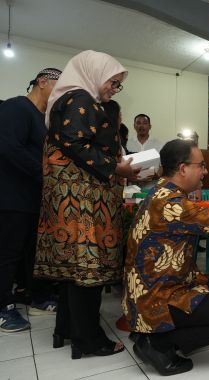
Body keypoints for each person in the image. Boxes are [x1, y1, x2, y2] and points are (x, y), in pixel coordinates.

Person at [34, 50, 138, 359]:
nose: (114, 89)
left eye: (119, 85)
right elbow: (76, 143)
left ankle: (66, 330)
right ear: (94, 72)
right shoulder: (80, 98)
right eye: (113, 82)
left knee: (73, 272)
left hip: (75, 197)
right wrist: (117, 167)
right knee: (87, 271)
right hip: (82, 200)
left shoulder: (71, 99)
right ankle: (89, 339)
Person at [124, 138, 209, 376]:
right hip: (157, 296)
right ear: (184, 168)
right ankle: (158, 344)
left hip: (146, 290)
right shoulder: (171, 203)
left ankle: (154, 333)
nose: (205, 172)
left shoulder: (160, 191)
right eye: (201, 166)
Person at [0, 68, 61, 332]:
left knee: (30, 253)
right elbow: (9, 147)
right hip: (11, 197)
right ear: (42, 81)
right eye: (59, 85)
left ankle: (34, 297)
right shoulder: (17, 107)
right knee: (7, 254)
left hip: (32, 199)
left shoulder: (42, 119)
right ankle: (2, 308)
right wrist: (45, 173)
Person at [127, 113, 163, 191]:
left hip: (152, 186)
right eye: (138, 123)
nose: (141, 126)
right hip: (132, 187)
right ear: (134, 126)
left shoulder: (158, 144)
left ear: (150, 126)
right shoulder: (127, 143)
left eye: (145, 123)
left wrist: (157, 175)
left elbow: (162, 165)